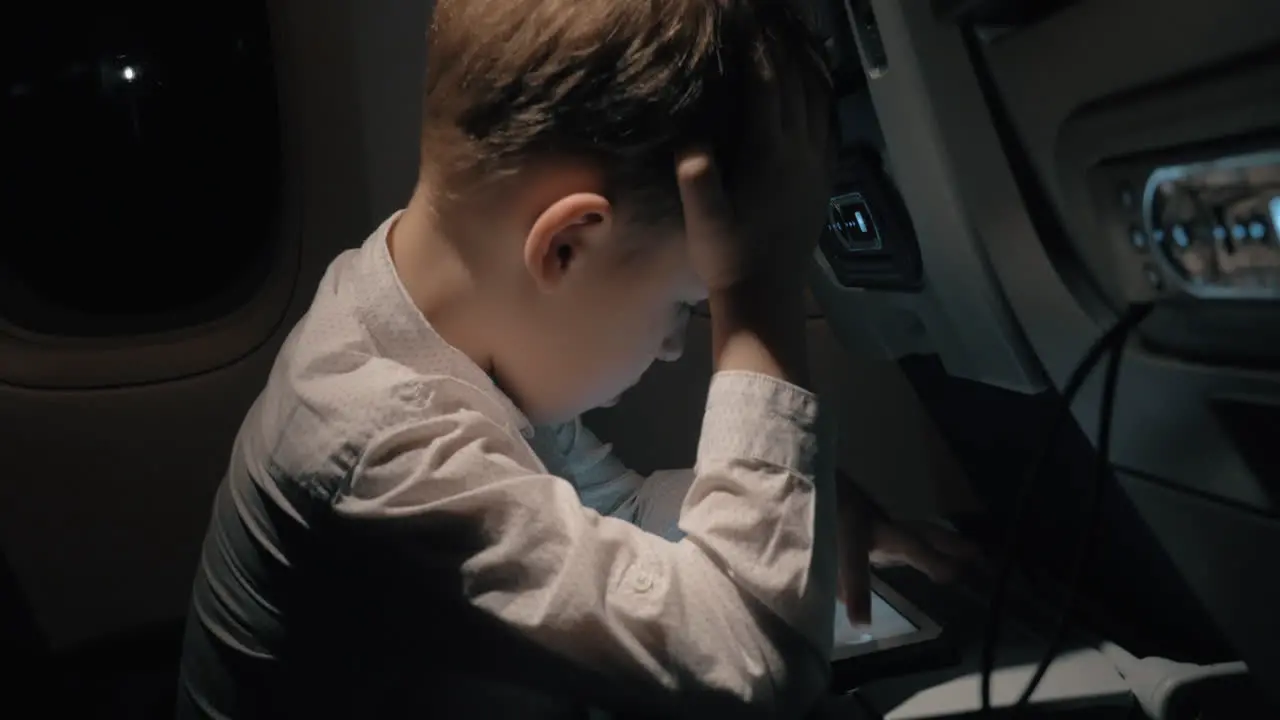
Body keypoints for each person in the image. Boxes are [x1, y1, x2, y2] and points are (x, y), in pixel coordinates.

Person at [176, 1, 973, 718]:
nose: (671, 348)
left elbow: (611, 517)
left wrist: (806, 507)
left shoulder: (416, 317)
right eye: (685, 305)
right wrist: (757, 292)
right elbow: (751, 666)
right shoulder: (381, 448)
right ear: (566, 247)